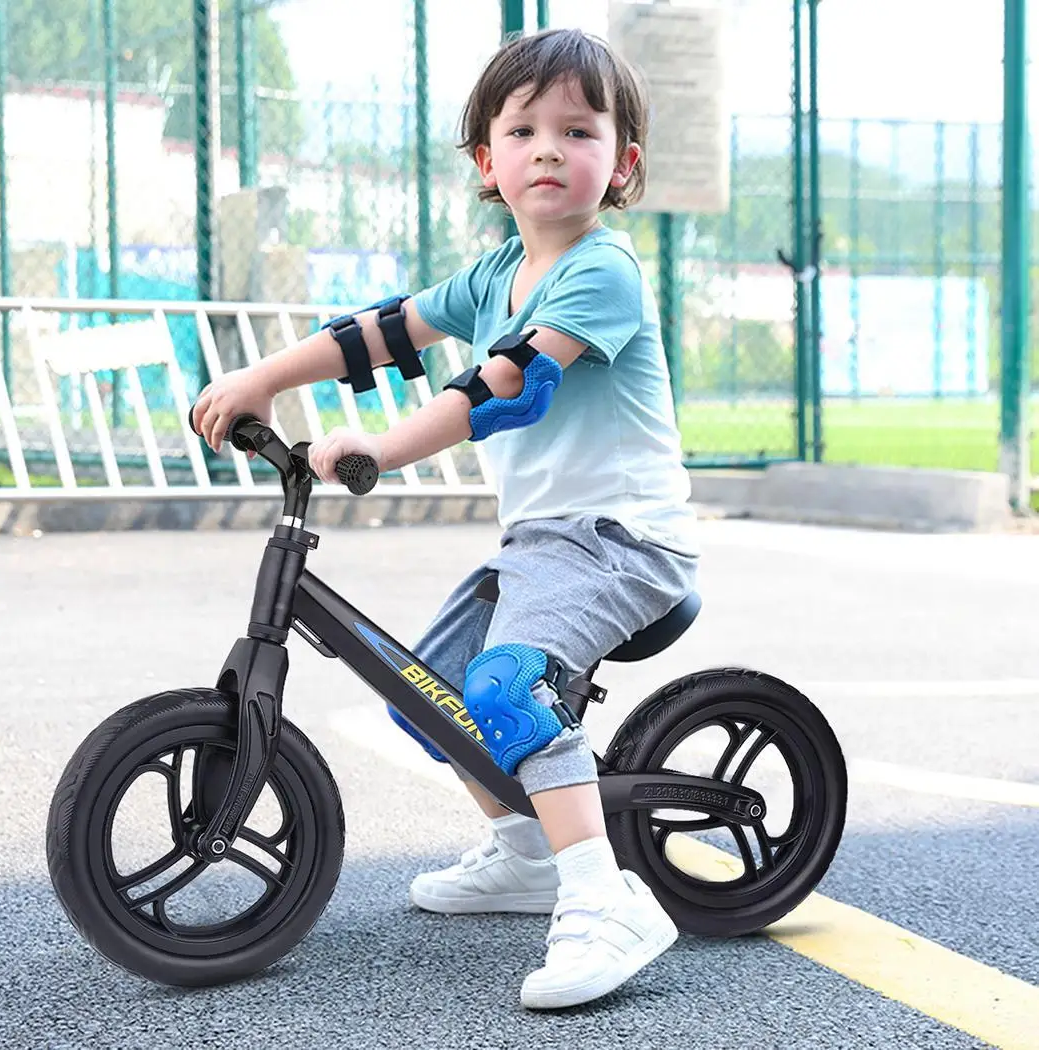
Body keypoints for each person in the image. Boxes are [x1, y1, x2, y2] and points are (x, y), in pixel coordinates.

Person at [191, 27, 699, 1010]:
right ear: (488, 162)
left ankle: (606, 898)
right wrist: (259, 378)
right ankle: (526, 852)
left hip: (624, 547)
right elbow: (375, 334)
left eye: (578, 130)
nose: (549, 148)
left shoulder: (604, 271)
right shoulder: (490, 276)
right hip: (546, 548)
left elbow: (502, 383)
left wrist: (378, 449)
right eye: (524, 130)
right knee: (428, 696)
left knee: (505, 688)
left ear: (622, 163)